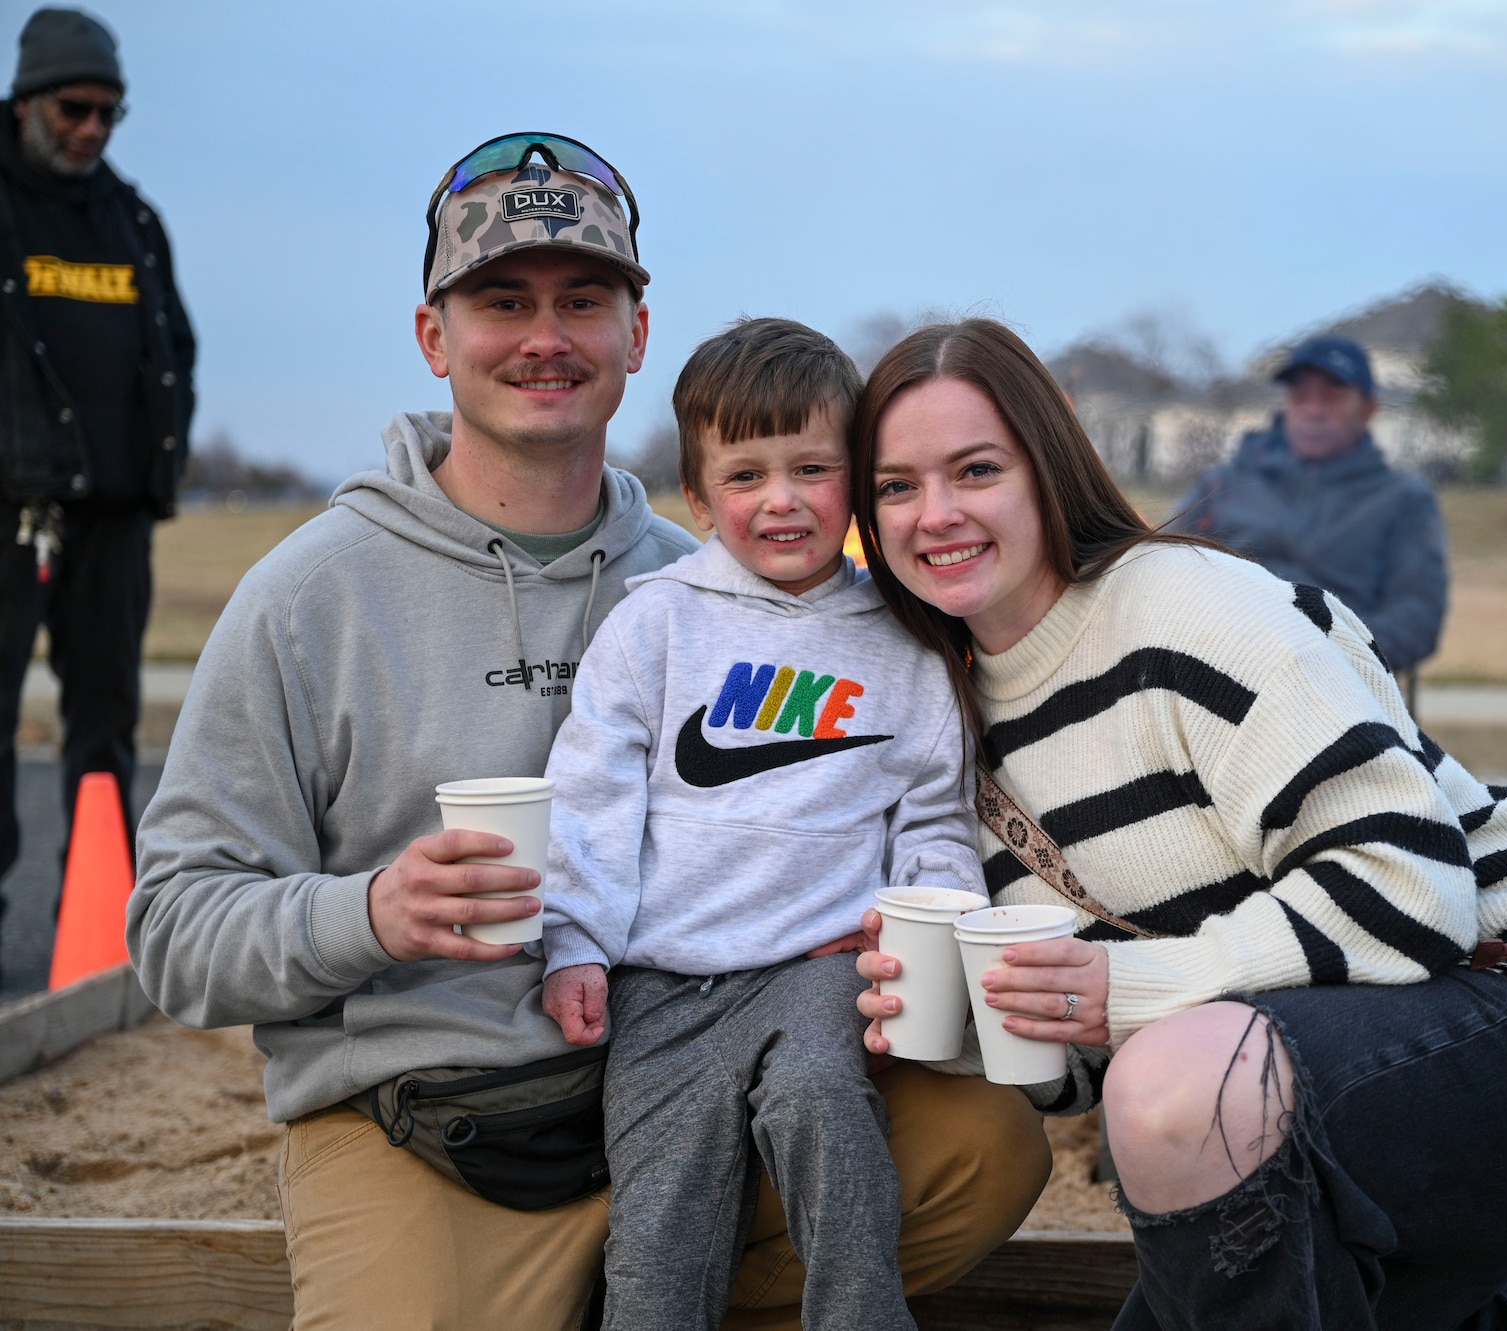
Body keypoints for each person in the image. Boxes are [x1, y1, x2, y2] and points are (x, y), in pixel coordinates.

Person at [129, 139, 1046, 1331]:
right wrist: (369, 912)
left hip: (711, 1051)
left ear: (637, 333)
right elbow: (172, 928)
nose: (544, 337)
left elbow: (893, 787)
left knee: (986, 1149)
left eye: (583, 301)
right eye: (502, 301)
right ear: (432, 336)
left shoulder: (720, 587)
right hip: (434, 1118)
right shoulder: (310, 595)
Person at [848, 320, 1507, 1330]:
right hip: (1284, 1080)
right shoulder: (944, 715)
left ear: (1046, 467)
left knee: (1175, 1088)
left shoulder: (1178, 607)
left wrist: (1124, 991)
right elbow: (1079, 1057)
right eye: (897, 485)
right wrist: (956, 1020)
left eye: (974, 469)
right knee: (1196, 1150)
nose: (935, 513)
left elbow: (1409, 886)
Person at [537, 317, 985, 1330]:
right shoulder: (655, 622)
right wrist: (573, 941)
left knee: (823, 1108)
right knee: (657, 1230)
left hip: (816, 965)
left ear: (855, 482)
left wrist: (934, 914)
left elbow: (932, 812)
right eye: (744, 475)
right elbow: (592, 796)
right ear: (698, 497)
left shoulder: (903, 641)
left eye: (811, 467)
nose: (779, 499)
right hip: (665, 981)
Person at [0, 8, 194, 947]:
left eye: (110, 114)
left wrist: (161, 471)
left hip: (112, 520)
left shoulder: (131, 218)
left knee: (106, 728)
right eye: (76, 108)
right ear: (28, 99)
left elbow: (174, 353)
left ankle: (93, 941)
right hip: (10, 510)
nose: (92, 130)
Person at [1172, 334, 1445, 674]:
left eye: (1332, 398)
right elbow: (1164, 574)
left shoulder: (1403, 499)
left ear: (1368, 409)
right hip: (1219, 675)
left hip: (1343, 687)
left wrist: (1318, 654)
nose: (1314, 411)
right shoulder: (1221, 486)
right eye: (1301, 397)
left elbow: (1416, 620)